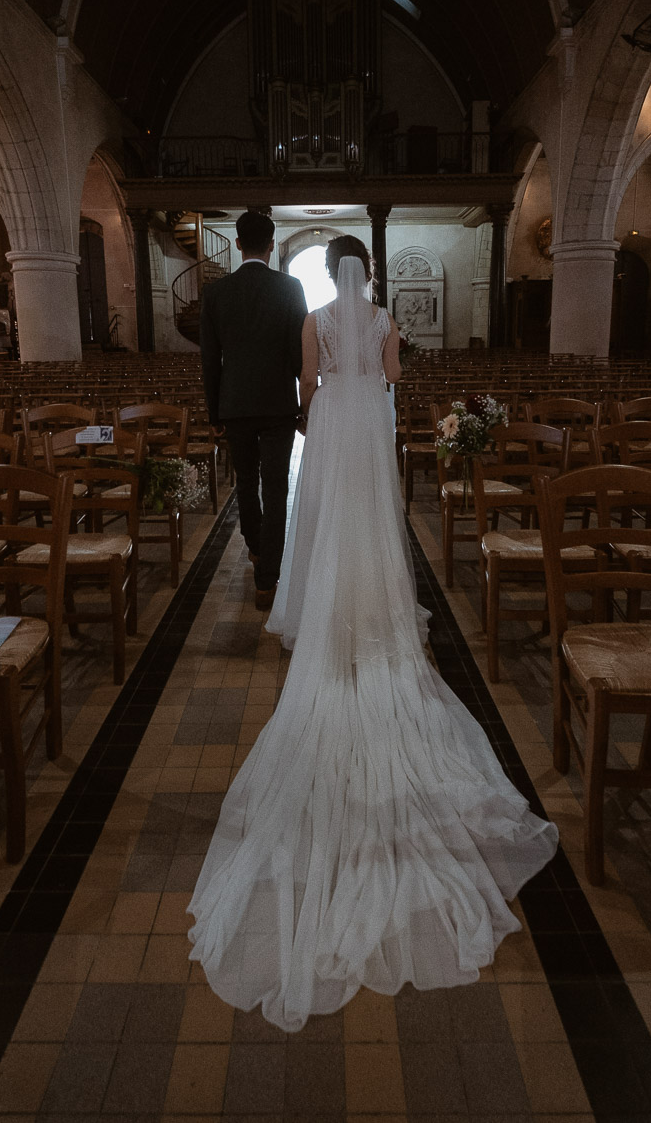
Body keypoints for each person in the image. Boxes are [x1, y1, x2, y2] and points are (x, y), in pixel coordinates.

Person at [188, 236, 558, 1032]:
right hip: (368, 428)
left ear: (332, 273)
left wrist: (329, 382)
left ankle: (324, 605)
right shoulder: (383, 314)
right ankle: (376, 614)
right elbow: (390, 378)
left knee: (322, 522)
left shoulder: (316, 317)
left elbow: (308, 381)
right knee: (372, 524)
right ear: (373, 275)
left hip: (329, 427)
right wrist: (383, 363)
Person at [199, 208, 308, 609]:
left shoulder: (216, 293)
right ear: (273, 243)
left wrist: (215, 415)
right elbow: (298, 353)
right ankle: (267, 579)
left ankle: (256, 547)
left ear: (239, 243)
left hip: (235, 405)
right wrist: (303, 403)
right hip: (279, 404)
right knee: (276, 489)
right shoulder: (291, 287)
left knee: (245, 483)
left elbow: (210, 360)